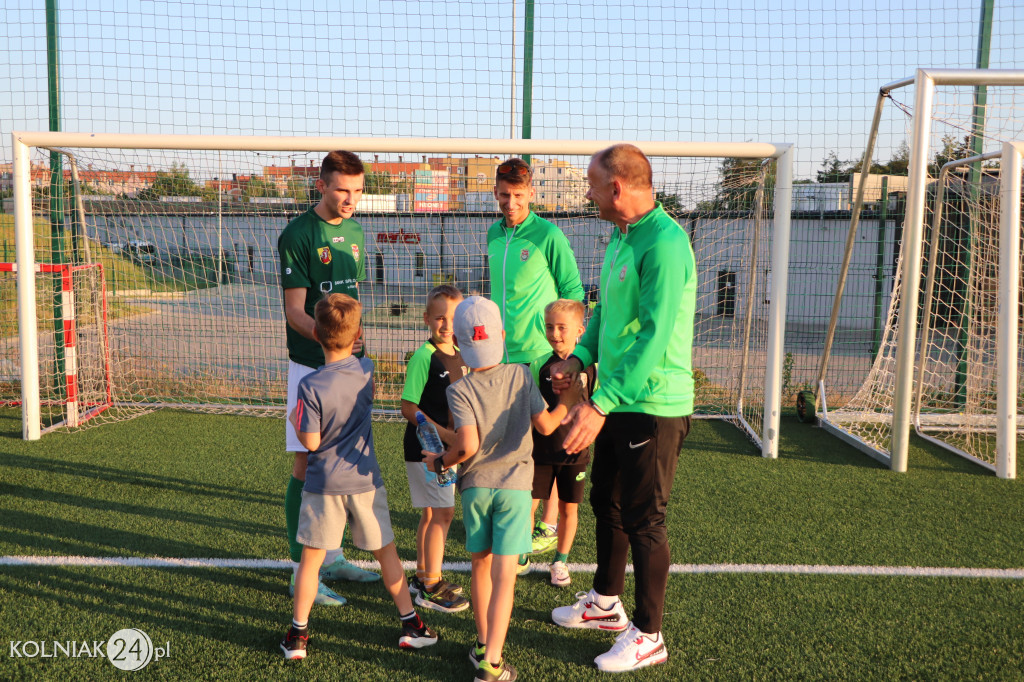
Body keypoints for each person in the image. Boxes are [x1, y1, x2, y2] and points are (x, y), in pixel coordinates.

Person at [548, 144, 695, 673]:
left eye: (589, 184)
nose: (585, 193)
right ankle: (605, 603)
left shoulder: (666, 245)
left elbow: (654, 337)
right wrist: (581, 360)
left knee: (644, 519)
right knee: (605, 504)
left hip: (651, 404)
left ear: (616, 187)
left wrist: (600, 403)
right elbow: (607, 316)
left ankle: (650, 635)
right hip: (614, 398)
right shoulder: (619, 236)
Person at [421, 296, 581, 682]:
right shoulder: (521, 375)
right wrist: (570, 400)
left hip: (476, 488)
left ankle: (481, 645)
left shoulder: (458, 390)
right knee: (505, 576)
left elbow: (466, 447)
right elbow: (545, 426)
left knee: (480, 565)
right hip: (514, 488)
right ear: (503, 335)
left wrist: (440, 462)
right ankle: (493, 661)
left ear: (458, 343)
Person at [279, 293, 437, 661]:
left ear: (315, 334)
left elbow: (312, 441)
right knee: (388, 556)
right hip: (365, 483)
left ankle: (298, 636)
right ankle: (411, 623)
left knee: (310, 562)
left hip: (323, 486)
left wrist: (296, 421)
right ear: (358, 334)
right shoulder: (367, 371)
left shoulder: (310, 386)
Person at [278, 150, 380, 608]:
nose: (350, 200)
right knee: (307, 466)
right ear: (321, 186)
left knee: (342, 465)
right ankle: (305, 571)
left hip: (350, 369)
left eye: (358, 191)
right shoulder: (297, 234)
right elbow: (295, 312)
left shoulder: (356, 232)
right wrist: (331, 342)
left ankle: (333, 557)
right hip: (311, 368)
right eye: (342, 189)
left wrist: (353, 345)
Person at [488, 157, 585, 563]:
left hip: (544, 359)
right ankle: (520, 521)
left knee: (550, 444)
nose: (511, 203)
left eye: (518, 196)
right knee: (514, 444)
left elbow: (574, 291)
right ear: (495, 193)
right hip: (501, 359)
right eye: (504, 195)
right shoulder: (494, 233)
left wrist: (571, 355)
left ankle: (546, 525)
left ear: (531, 194)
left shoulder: (549, 235)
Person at [399, 284, 470, 614]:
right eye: (439, 317)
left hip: (446, 449)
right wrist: (445, 434)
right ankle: (431, 587)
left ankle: (423, 575)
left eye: (453, 318)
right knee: (443, 513)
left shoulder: (459, 354)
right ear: (427, 318)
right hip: (427, 450)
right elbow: (408, 406)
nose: (446, 324)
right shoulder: (424, 356)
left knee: (431, 513)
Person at [524, 298, 595, 586]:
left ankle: (560, 562)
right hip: (539, 451)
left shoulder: (591, 367)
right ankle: (521, 556)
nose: (555, 334)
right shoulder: (539, 364)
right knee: (527, 504)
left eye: (562, 327)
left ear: (580, 329)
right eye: (550, 327)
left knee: (569, 508)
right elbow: (528, 407)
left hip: (574, 454)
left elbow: (596, 406)